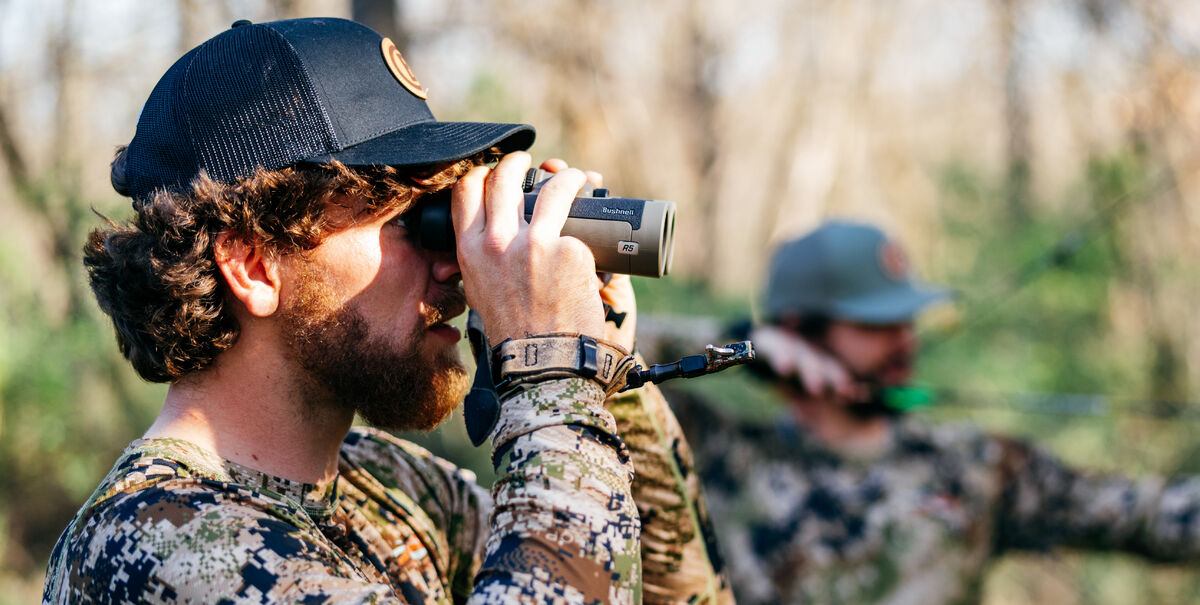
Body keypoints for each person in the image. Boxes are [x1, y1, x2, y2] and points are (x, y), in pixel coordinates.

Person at [42, 17, 729, 604]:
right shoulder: (152, 543)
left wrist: (602, 370)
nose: (455, 262)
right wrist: (552, 368)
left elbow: (658, 587)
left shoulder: (391, 486)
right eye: (413, 222)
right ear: (252, 264)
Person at [665, 220, 1200, 604]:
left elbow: (1149, 515)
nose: (905, 340)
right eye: (876, 325)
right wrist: (738, 344)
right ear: (798, 331)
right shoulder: (714, 454)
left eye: (907, 320)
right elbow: (599, 353)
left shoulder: (972, 465)